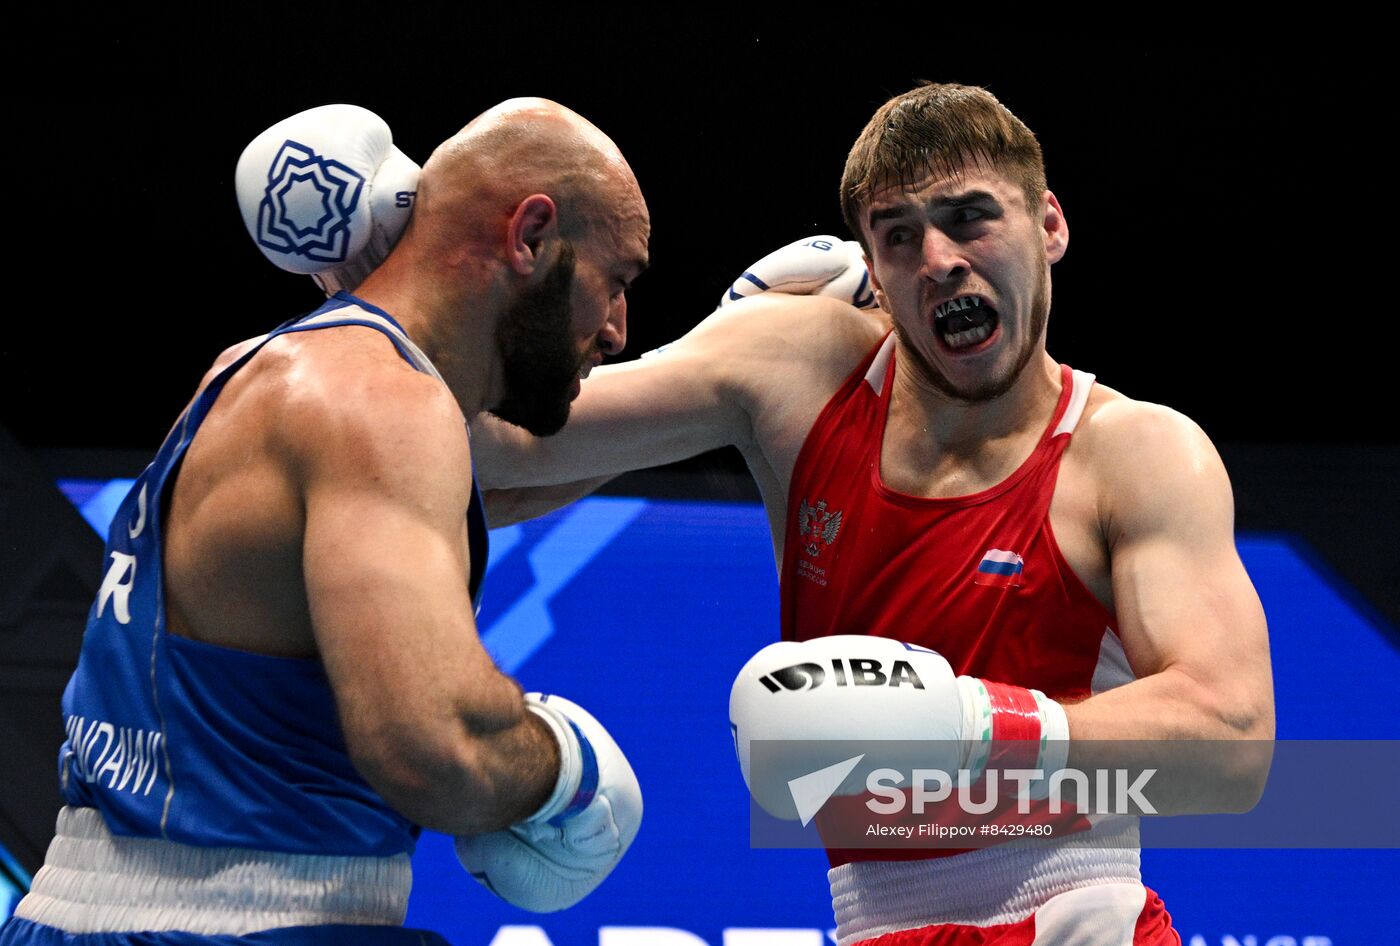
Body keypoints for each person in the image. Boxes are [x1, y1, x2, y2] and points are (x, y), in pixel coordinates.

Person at [471, 83, 1275, 943]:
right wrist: (379, 294)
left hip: (1085, 918)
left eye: (969, 218)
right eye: (899, 236)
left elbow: (1233, 739)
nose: (938, 260)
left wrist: (974, 730)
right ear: (876, 273)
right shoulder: (799, 368)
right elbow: (500, 455)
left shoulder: (1136, 451)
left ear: (1049, 225)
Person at [1, 98, 651, 945]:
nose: (616, 330)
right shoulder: (384, 403)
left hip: (75, 915)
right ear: (529, 237)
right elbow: (434, 746)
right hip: (248, 924)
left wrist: (744, 342)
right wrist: (565, 768)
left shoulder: (257, 372)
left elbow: (531, 471)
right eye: (618, 281)